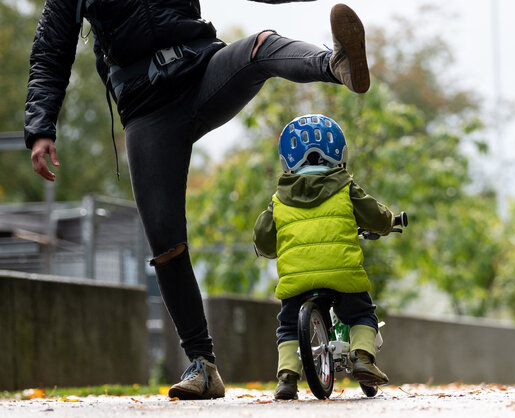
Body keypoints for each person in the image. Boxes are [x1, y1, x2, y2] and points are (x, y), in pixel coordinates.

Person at [25, 0, 371, 400]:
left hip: (203, 72)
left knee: (260, 45)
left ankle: (335, 65)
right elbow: (50, 50)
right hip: (147, 109)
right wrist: (40, 127)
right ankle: (203, 365)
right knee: (165, 242)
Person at [252, 114, 392, 400]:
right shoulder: (346, 188)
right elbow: (377, 218)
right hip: (342, 274)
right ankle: (363, 358)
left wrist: (268, 247)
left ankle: (287, 377)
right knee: (361, 313)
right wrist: (389, 222)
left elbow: (264, 240)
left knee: (289, 326)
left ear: (286, 160)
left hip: (297, 280)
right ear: (340, 153)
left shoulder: (278, 200)